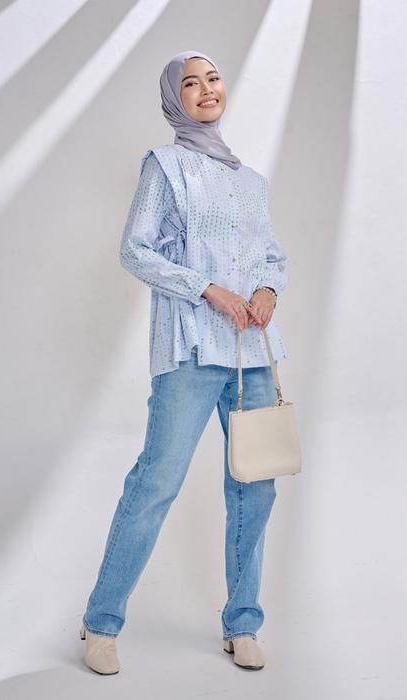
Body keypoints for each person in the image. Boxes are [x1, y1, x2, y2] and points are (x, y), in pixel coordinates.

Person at [79, 50, 289, 675]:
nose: (205, 90)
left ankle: (242, 623)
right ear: (175, 98)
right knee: (156, 482)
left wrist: (267, 289)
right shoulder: (165, 165)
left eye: (213, 79)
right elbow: (135, 250)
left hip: (252, 353)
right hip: (191, 348)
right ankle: (101, 622)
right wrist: (207, 289)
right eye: (190, 83)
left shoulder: (251, 180)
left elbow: (271, 255)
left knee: (255, 485)